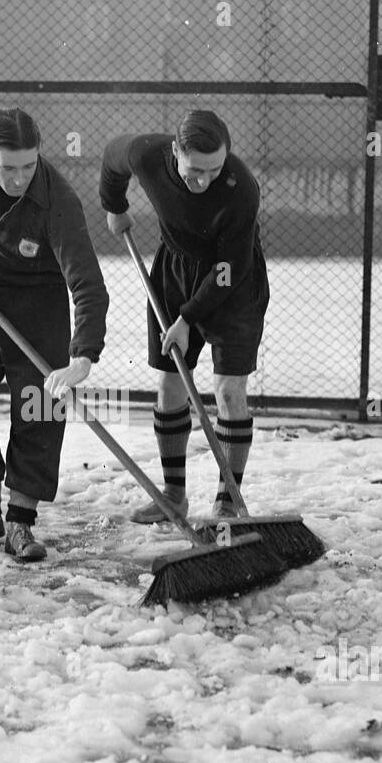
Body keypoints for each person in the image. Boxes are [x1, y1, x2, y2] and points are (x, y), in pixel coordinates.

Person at [0, 107, 109, 561]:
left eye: (28, 166)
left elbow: (88, 284)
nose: (18, 178)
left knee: (38, 408)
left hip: (36, 307)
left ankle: (20, 522)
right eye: (8, 168)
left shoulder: (58, 202)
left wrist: (82, 356)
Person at [100, 109, 270, 523]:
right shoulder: (147, 154)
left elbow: (229, 271)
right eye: (195, 169)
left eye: (215, 168)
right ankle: (173, 497)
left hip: (233, 282)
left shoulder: (240, 188)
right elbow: (111, 155)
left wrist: (186, 319)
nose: (205, 179)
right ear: (175, 151)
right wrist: (114, 205)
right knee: (170, 386)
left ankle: (228, 503)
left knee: (229, 392)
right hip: (174, 274)